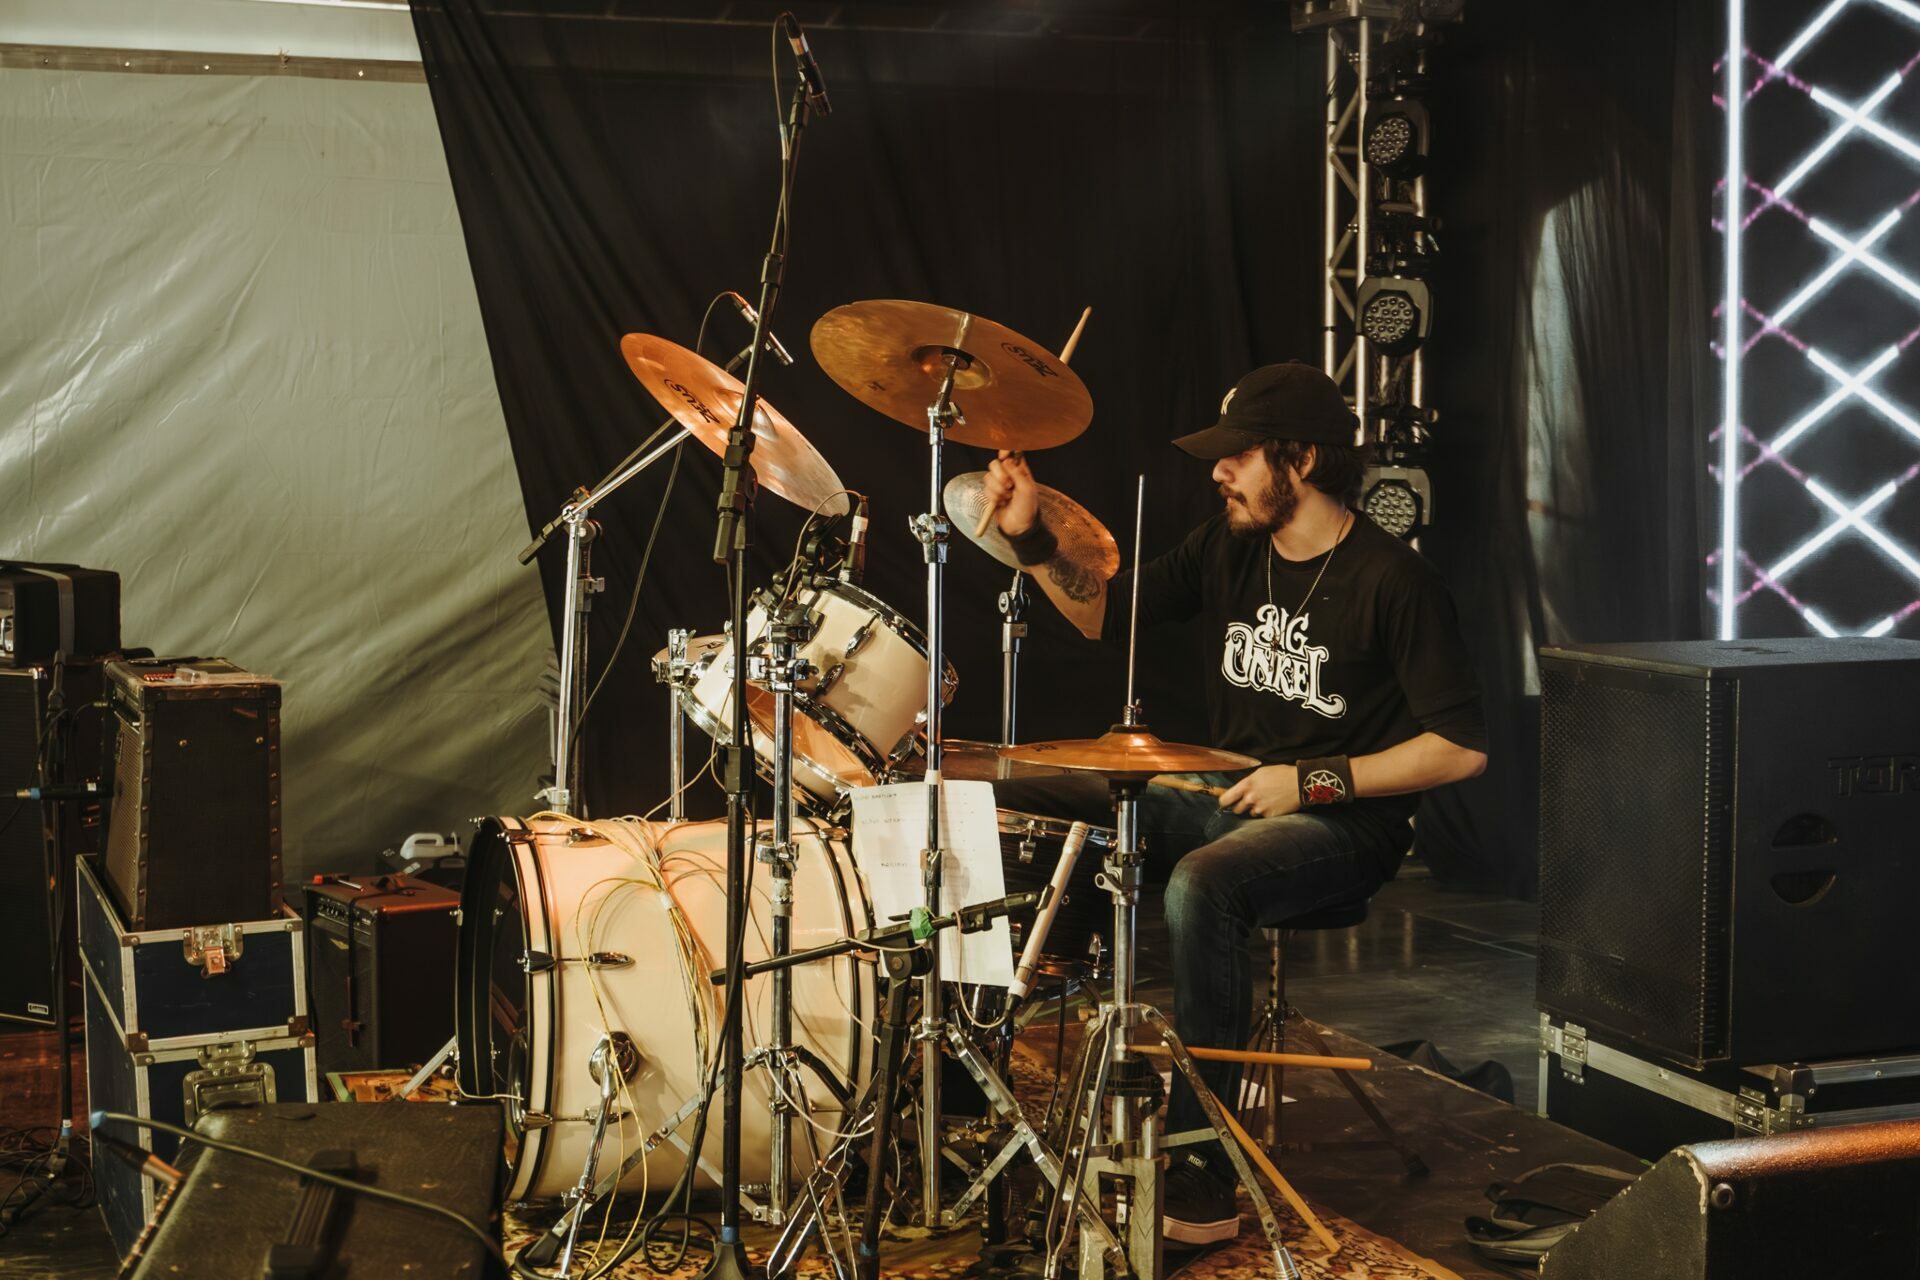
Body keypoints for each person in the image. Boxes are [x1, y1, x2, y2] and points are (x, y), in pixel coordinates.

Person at [983, 360, 1487, 1246]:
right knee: (1024, 804)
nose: (1217, 472)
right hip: (1229, 792)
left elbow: (1460, 747)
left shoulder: (1393, 580)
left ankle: (1204, 1168)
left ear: (1302, 459)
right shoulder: (1229, 547)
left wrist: (1315, 779)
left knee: (1203, 885)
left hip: (1345, 824)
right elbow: (1109, 611)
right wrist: (1031, 537)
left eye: (1238, 455)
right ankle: (972, 1092)